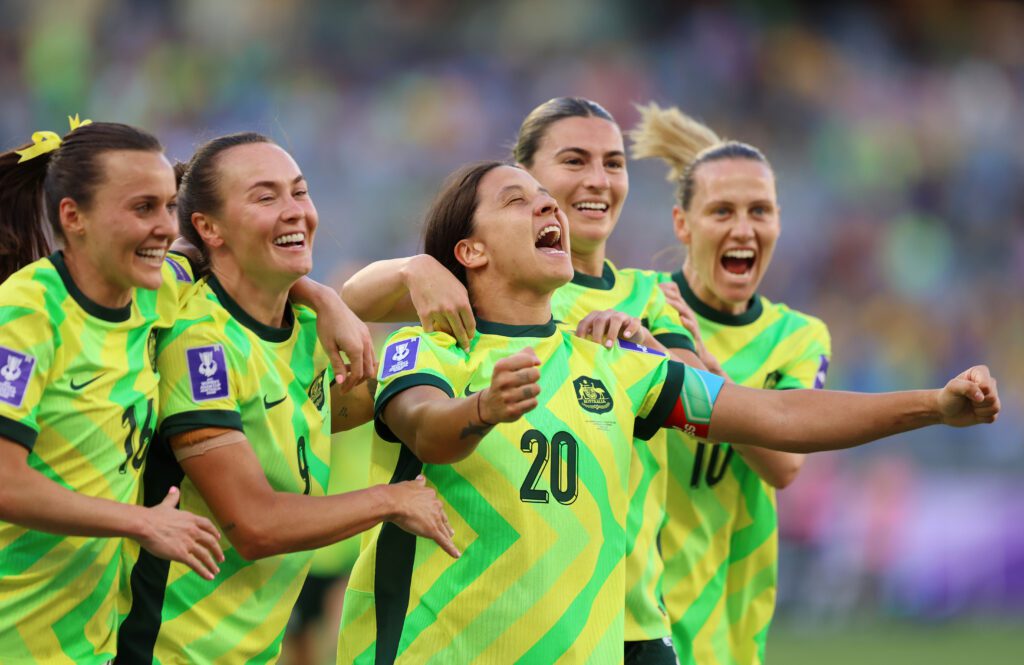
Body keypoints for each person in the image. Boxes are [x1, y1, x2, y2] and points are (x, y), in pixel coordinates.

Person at [335, 161, 998, 664]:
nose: (548, 204)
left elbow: (777, 417)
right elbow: (426, 427)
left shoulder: (618, 368)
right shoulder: (428, 347)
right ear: (471, 251)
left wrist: (934, 405)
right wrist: (482, 408)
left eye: (545, 197)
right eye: (517, 199)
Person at [115, 132, 457, 665]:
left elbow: (377, 396)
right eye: (265, 197)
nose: (295, 210)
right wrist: (392, 501)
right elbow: (253, 525)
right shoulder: (199, 339)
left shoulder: (307, 329)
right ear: (208, 227)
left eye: (299, 192)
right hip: (163, 652)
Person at [0, 119, 224, 664]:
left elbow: (225, 256)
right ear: (73, 216)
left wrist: (324, 299)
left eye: (169, 206)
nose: (165, 228)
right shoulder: (25, 313)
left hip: (87, 640)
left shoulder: (152, 289)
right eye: (142, 208)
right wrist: (141, 521)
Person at [630, 101, 830, 664]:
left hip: (729, 619)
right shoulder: (639, 308)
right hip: (634, 614)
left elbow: (784, 465)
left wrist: (703, 369)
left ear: (778, 221)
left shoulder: (796, 336)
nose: (744, 229)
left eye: (760, 211)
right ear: (683, 223)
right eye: (722, 211)